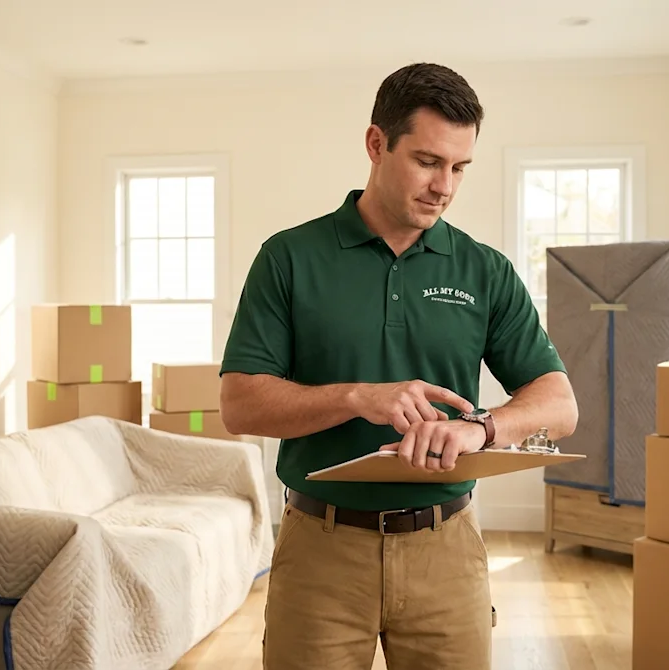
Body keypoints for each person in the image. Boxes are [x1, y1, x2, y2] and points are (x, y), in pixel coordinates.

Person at [218, 62, 579, 670]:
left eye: (459, 167)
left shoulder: (483, 270)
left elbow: (559, 403)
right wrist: (358, 396)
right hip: (320, 552)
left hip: (447, 549)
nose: (445, 185)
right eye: (428, 161)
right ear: (376, 144)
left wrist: (480, 428)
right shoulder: (287, 258)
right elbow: (239, 405)